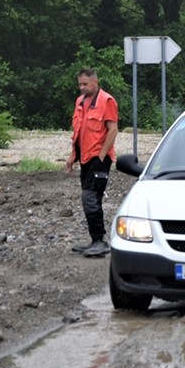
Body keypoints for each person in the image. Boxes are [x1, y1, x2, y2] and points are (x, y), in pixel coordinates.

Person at [65, 68, 119, 258]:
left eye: (85, 84)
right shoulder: (80, 101)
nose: (82, 88)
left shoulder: (107, 101)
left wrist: (102, 156)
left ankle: (100, 242)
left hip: (99, 158)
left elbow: (113, 130)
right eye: (80, 84)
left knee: (90, 197)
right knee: (90, 198)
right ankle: (94, 240)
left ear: (95, 82)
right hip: (84, 158)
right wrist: (72, 156)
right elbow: (77, 132)